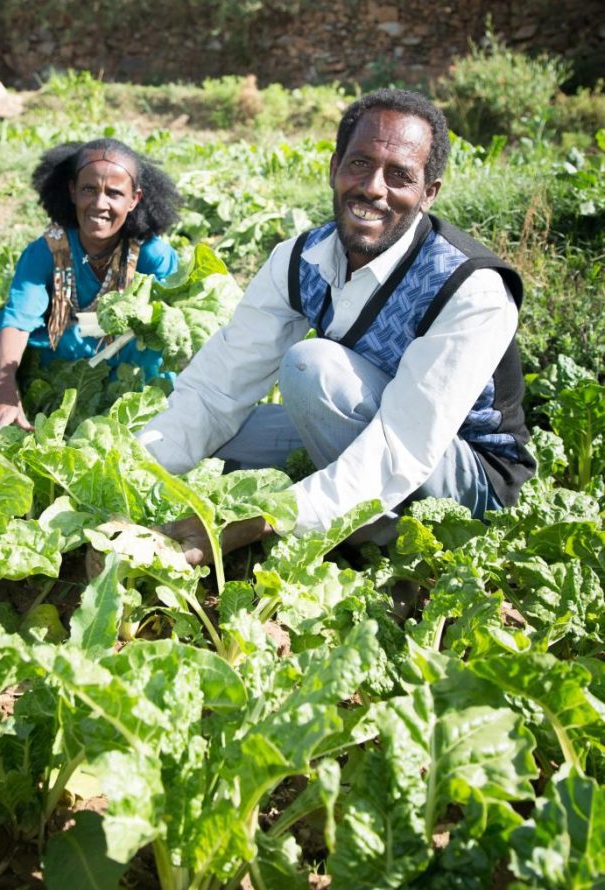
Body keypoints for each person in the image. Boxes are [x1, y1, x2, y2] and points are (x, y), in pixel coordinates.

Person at [141, 88, 535, 563]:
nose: (373, 187)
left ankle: (378, 539)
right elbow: (217, 389)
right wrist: (133, 475)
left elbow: (401, 445)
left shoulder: (470, 289)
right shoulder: (299, 259)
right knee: (216, 434)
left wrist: (259, 522)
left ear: (429, 194)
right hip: (366, 421)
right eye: (360, 164)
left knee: (313, 369)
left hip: (465, 469)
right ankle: (332, 505)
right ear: (334, 168)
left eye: (399, 176)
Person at [0, 138, 181, 430]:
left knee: (155, 357)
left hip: (121, 349)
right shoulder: (48, 249)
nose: (99, 204)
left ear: (134, 200)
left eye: (114, 193)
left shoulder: (152, 255)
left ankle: (70, 373)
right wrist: (2, 389)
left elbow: (170, 328)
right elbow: (19, 320)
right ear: (72, 191)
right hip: (59, 339)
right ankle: (37, 370)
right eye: (89, 189)